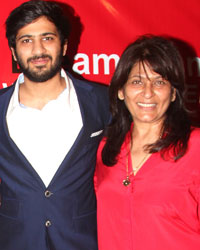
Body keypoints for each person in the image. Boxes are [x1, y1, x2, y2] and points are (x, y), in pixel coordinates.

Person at [0, 1, 110, 249]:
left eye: (47, 38)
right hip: (15, 241)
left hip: (82, 240)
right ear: (14, 51)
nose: (38, 50)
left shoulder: (101, 102)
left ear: (64, 45)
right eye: (26, 40)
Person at [95, 35, 200, 250]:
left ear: (173, 93)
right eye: (137, 81)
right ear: (121, 91)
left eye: (159, 82)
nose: (148, 92)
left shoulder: (195, 146)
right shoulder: (106, 149)